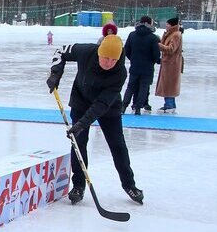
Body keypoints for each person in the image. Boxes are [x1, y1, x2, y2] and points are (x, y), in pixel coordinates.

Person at [46, 34, 144, 205]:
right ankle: (78, 186)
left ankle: (129, 184)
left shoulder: (120, 73)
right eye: (105, 58)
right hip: (81, 101)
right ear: (99, 52)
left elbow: (102, 103)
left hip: (107, 108)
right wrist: (56, 73)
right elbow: (61, 51)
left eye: (113, 60)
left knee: (118, 145)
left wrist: (83, 123)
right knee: (78, 144)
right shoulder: (86, 51)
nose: (108, 63)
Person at [121, 16, 161, 115]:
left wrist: (133, 59)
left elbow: (127, 50)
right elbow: (156, 54)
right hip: (147, 68)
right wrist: (154, 61)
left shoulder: (132, 35)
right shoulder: (152, 37)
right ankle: (138, 107)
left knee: (130, 87)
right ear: (148, 23)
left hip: (135, 66)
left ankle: (124, 106)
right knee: (144, 87)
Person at [155, 17, 183, 113]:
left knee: (169, 85)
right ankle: (170, 104)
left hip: (172, 64)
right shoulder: (171, 34)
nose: (166, 26)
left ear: (172, 25)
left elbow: (171, 49)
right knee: (168, 84)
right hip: (168, 63)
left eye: (167, 24)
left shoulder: (175, 35)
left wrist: (158, 45)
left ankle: (169, 105)